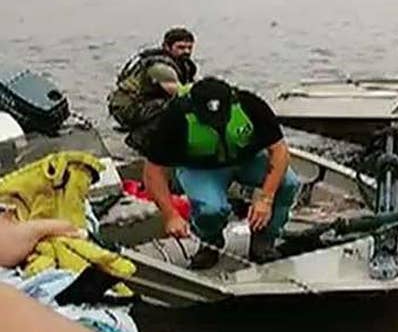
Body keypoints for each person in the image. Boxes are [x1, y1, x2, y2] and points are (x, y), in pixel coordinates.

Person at [140, 77, 299, 269]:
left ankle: (264, 240)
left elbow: (280, 151)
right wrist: (170, 215)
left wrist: (265, 198)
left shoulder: (249, 104)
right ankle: (211, 244)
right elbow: (153, 171)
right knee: (210, 209)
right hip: (201, 169)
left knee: (289, 183)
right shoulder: (175, 117)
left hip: (247, 160)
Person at [107, 27, 197, 151]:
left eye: (189, 48)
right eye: (180, 47)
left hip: (143, 101)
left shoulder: (183, 64)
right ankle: (138, 140)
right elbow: (178, 91)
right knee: (174, 107)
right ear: (167, 47)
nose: (186, 51)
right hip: (126, 106)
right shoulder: (160, 67)